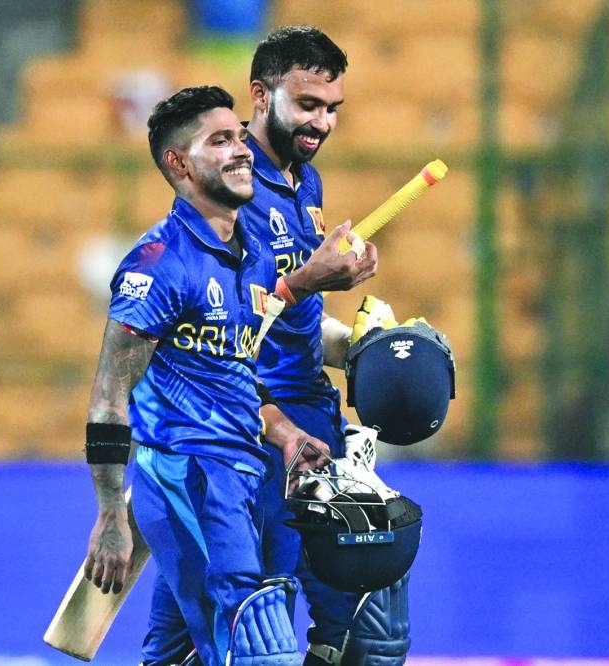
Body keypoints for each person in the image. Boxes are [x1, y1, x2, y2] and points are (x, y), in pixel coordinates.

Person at [81, 85, 373, 666]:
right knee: (259, 648)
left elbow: (235, 369)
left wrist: (288, 435)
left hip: (243, 475)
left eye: (240, 136)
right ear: (179, 163)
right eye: (220, 141)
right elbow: (110, 398)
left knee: (174, 656)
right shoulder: (158, 264)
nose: (243, 151)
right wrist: (111, 514)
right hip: (190, 477)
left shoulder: (256, 256)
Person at [244, 26, 415, 666]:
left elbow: (296, 324)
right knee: (262, 637)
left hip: (318, 425)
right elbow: (219, 329)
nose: (321, 122)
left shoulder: (303, 184)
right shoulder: (230, 187)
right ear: (260, 96)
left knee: (372, 623)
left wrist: (370, 344)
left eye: (332, 109)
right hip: (258, 430)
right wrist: (310, 279)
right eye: (307, 105)